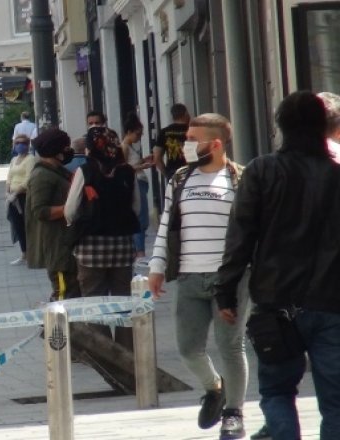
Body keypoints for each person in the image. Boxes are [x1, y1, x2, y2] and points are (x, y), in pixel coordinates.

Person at [215, 91, 340, 440]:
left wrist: (226, 290)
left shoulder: (262, 170)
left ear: (281, 125)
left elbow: (240, 235)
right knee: (336, 401)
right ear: (324, 127)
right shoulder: (335, 175)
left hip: (275, 301)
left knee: (277, 391)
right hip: (331, 301)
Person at [148, 113, 248, 438]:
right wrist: (156, 268)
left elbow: (252, 233)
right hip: (190, 277)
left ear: (215, 144)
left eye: (193, 139)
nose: (185, 145)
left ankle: (234, 413)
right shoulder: (179, 179)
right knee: (188, 348)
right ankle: (214, 387)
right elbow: (166, 226)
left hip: (230, 280)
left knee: (230, 347)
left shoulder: (240, 180)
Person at [64, 126, 139, 350]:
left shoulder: (85, 171)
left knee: (94, 302)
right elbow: (136, 208)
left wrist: (76, 223)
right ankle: (127, 352)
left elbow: (70, 210)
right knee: (123, 301)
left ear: (90, 148)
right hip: (122, 247)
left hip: (91, 248)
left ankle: (105, 352)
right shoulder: (127, 171)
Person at [26, 129, 81, 301]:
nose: (68, 150)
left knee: (72, 292)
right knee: (63, 294)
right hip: (56, 246)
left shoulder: (57, 171)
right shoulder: (42, 175)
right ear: (55, 150)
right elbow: (40, 211)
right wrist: (70, 208)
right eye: (65, 147)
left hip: (65, 243)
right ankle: (52, 328)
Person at [119, 113, 154, 259]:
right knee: (141, 218)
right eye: (137, 134)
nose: (139, 137)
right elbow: (123, 168)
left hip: (140, 182)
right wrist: (143, 165)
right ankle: (139, 251)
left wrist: (142, 161)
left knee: (142, 219)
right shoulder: (125, 147)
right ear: (129, 132)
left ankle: (139, 250)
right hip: (136, 182)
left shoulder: (130, 147)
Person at [6, 135, 36, 265]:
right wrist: (7, 192)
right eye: (17, 143)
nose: (20, 145)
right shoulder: (14, 159)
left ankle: (31, 253)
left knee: (27, 225)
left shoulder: (30, 159)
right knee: (17, 225)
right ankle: (24, 253)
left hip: (24, 196)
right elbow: (9, 177)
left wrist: (17, 191)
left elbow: (29, 178)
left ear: (28, 144)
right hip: (12, 198)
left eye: (23, 143)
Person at [154, 103, 191, 178]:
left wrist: (166, 174)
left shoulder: (164, 132)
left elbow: (157, 157)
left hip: (173, 171)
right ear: (185, 114)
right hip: (191, 171)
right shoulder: (192, 130)